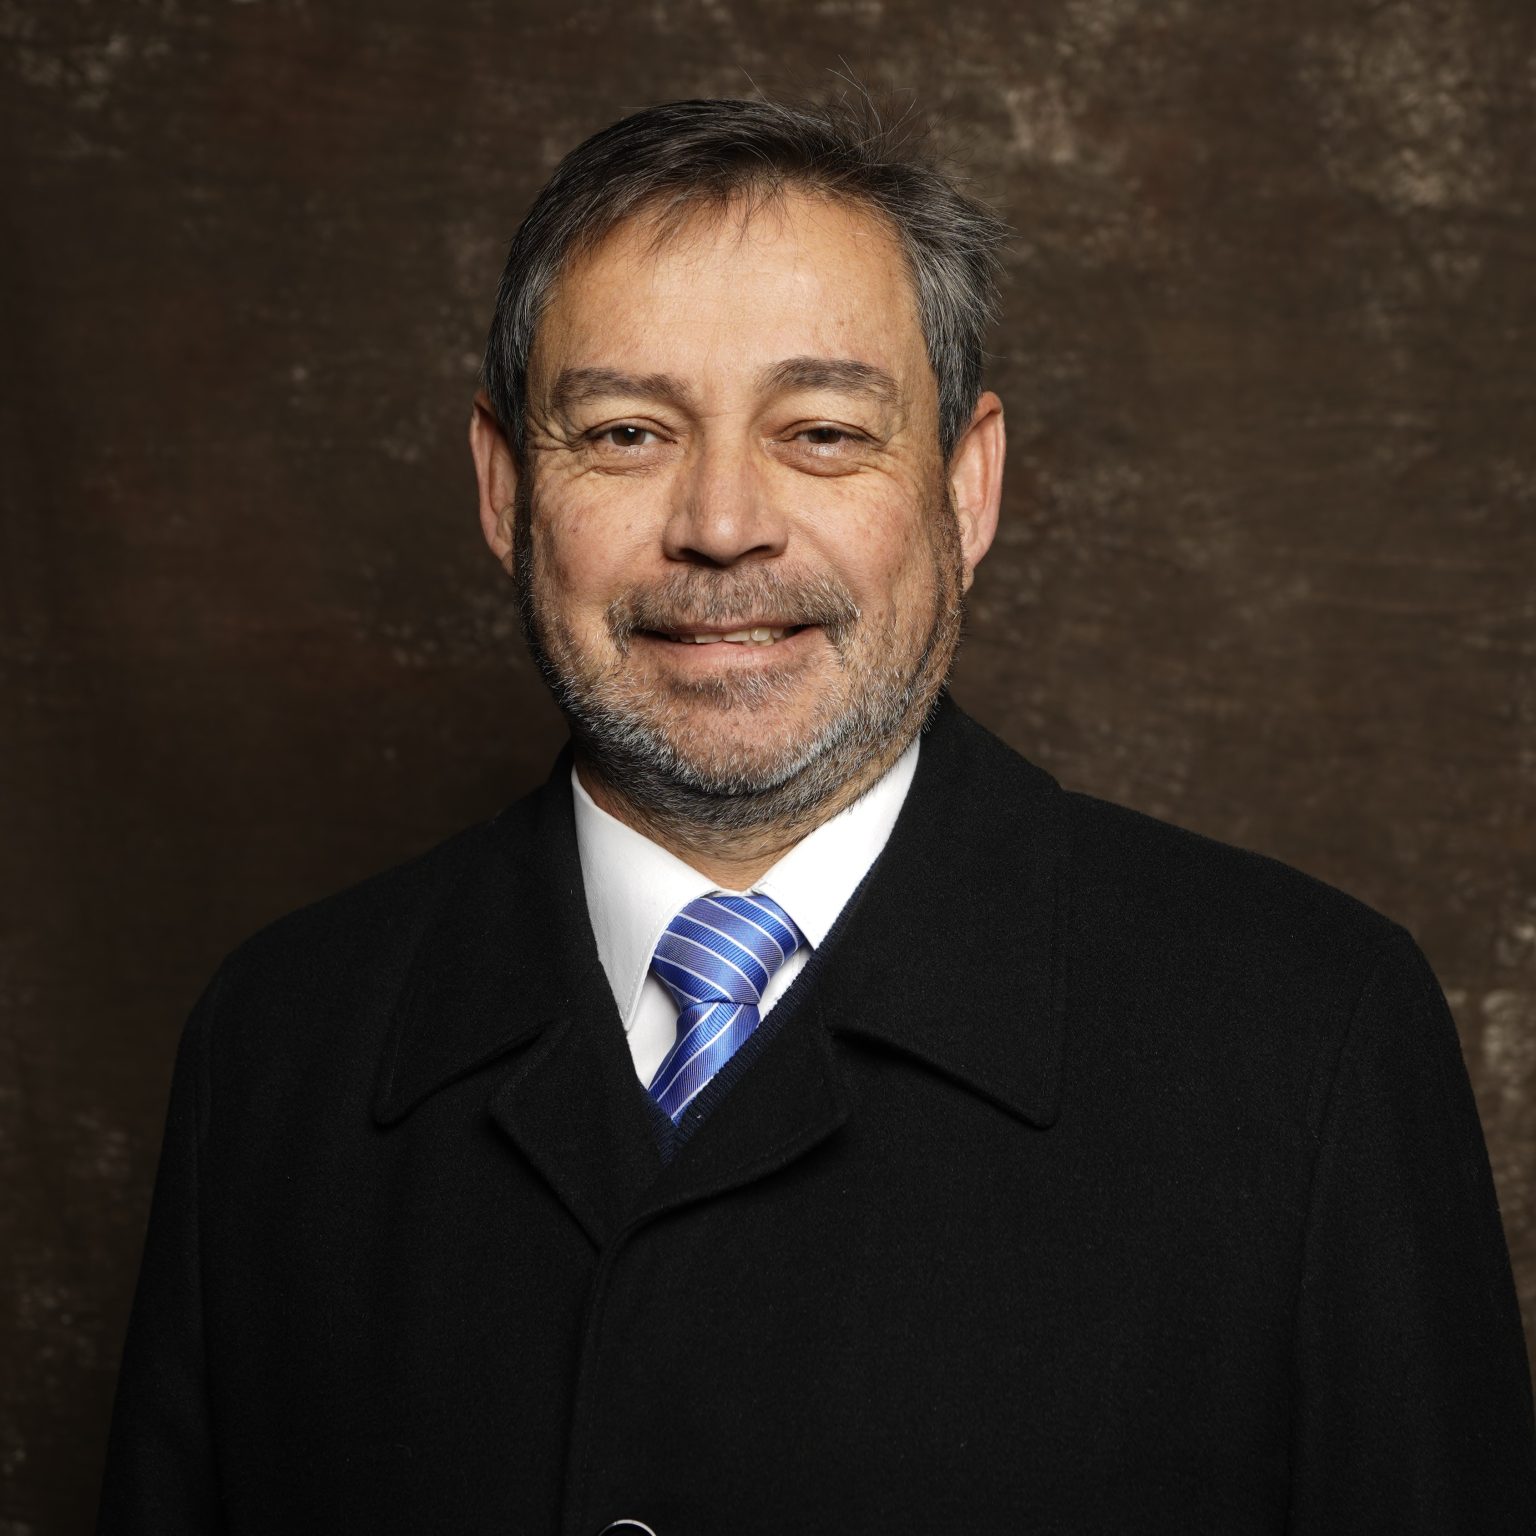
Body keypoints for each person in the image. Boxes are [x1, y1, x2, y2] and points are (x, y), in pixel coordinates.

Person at [98, 95, 1536, 1535]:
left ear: (966, 488)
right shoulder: (278, 1049)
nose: (723, 525)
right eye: (626, 432)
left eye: (825, 432)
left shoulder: (1307, 1039)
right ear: (504, 486)